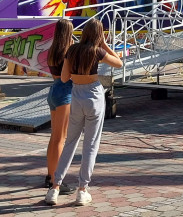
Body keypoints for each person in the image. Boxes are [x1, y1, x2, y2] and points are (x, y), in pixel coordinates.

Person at [46, 19, 123, 207]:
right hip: (93, 95)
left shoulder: (72, 51)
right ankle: (82, 189)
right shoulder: (97, 52)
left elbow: (64, 77)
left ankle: (54, 187)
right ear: (98, 34)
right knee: (90, 144)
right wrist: (104, 44)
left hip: (76, 94)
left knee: (70, 141)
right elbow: (119, 64)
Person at [44, 19, 74, 191]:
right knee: (60, 138)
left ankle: (50, 174)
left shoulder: (52, 50)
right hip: (65, 92)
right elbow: (68, 76)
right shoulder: (67, 51)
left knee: (54, 137)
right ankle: (57, 180)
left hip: (53, 90)